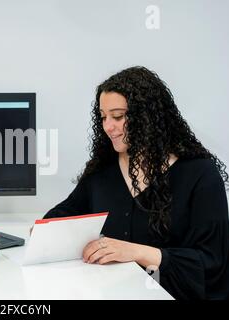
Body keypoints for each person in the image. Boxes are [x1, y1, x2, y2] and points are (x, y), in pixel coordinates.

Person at [44, 66, 229, 300]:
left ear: (147, 117)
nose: (108, 126)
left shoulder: (200, 174)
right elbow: (66, 211)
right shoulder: (102, 171)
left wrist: (135, 252)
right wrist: (46, 230)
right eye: (103, 117)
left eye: (118, 116)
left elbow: (212, 263)